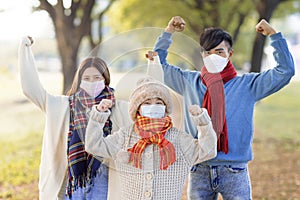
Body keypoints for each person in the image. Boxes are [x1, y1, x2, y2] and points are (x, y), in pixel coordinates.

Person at [151, 16, 295, 199]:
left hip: (234, 170)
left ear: (230, 54)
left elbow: (286, 71)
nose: (213, 57)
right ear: (202, 54)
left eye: (219, 52)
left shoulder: (247, 85)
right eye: (208, 52)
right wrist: (168, 32)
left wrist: (274, 36)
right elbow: (157, 66)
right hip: (199, 167)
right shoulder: (188, 81)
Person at [18, 36, 130, 200]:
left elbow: (148, 102)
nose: (92, 82)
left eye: (97, 78)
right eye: (87, 78)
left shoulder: (118, 108)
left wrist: (153, 63)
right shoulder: (61, 105)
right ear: (79, 80)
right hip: (72, 179)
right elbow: (31, 88)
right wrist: (25, 49)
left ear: (105, 80)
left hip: (105, 177)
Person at [84, 76, 218, 200]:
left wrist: (203, 122)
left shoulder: (179, 139)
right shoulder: (124, 136)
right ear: (137, 109)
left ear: (165, 108)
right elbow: (93, 145)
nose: (153, 106)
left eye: (159, 102)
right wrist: (98, 117)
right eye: (147, 103)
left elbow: (208, 150)